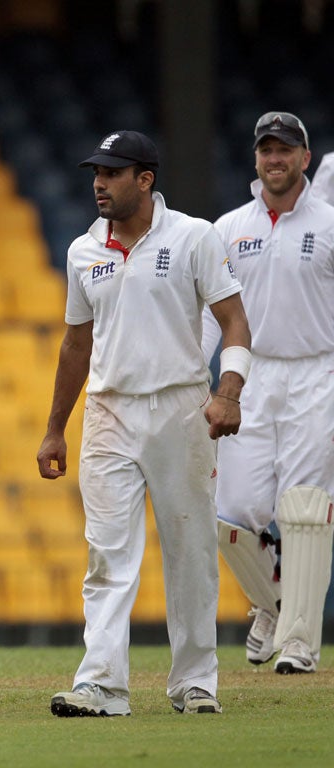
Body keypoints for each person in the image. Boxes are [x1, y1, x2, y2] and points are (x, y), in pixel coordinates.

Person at [36, 131, 252, 717]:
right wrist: (56, 427)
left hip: (181, 407)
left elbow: (233, 321)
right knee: (106, 554)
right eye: (95, 174)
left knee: (190, 548)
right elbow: (76, 345)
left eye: (112, 173)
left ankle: (195, 682)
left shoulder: (193, 237)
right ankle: (102, 684)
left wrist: (228, 391)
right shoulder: (84, 250)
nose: (99, 184)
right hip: (108, 412)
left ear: (145, 179)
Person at [202, 112, 334, 674]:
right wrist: (192, 376)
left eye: (287, 150)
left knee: (304, 508)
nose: (275, 159)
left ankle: (300, 642)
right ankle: (271, 603)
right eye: (266, 150)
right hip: (248, 377)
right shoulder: (229, 228)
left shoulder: (329, 223)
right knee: (229, 515)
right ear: (256, 160)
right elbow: (214, 311)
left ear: (306, 158)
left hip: (317, 371)